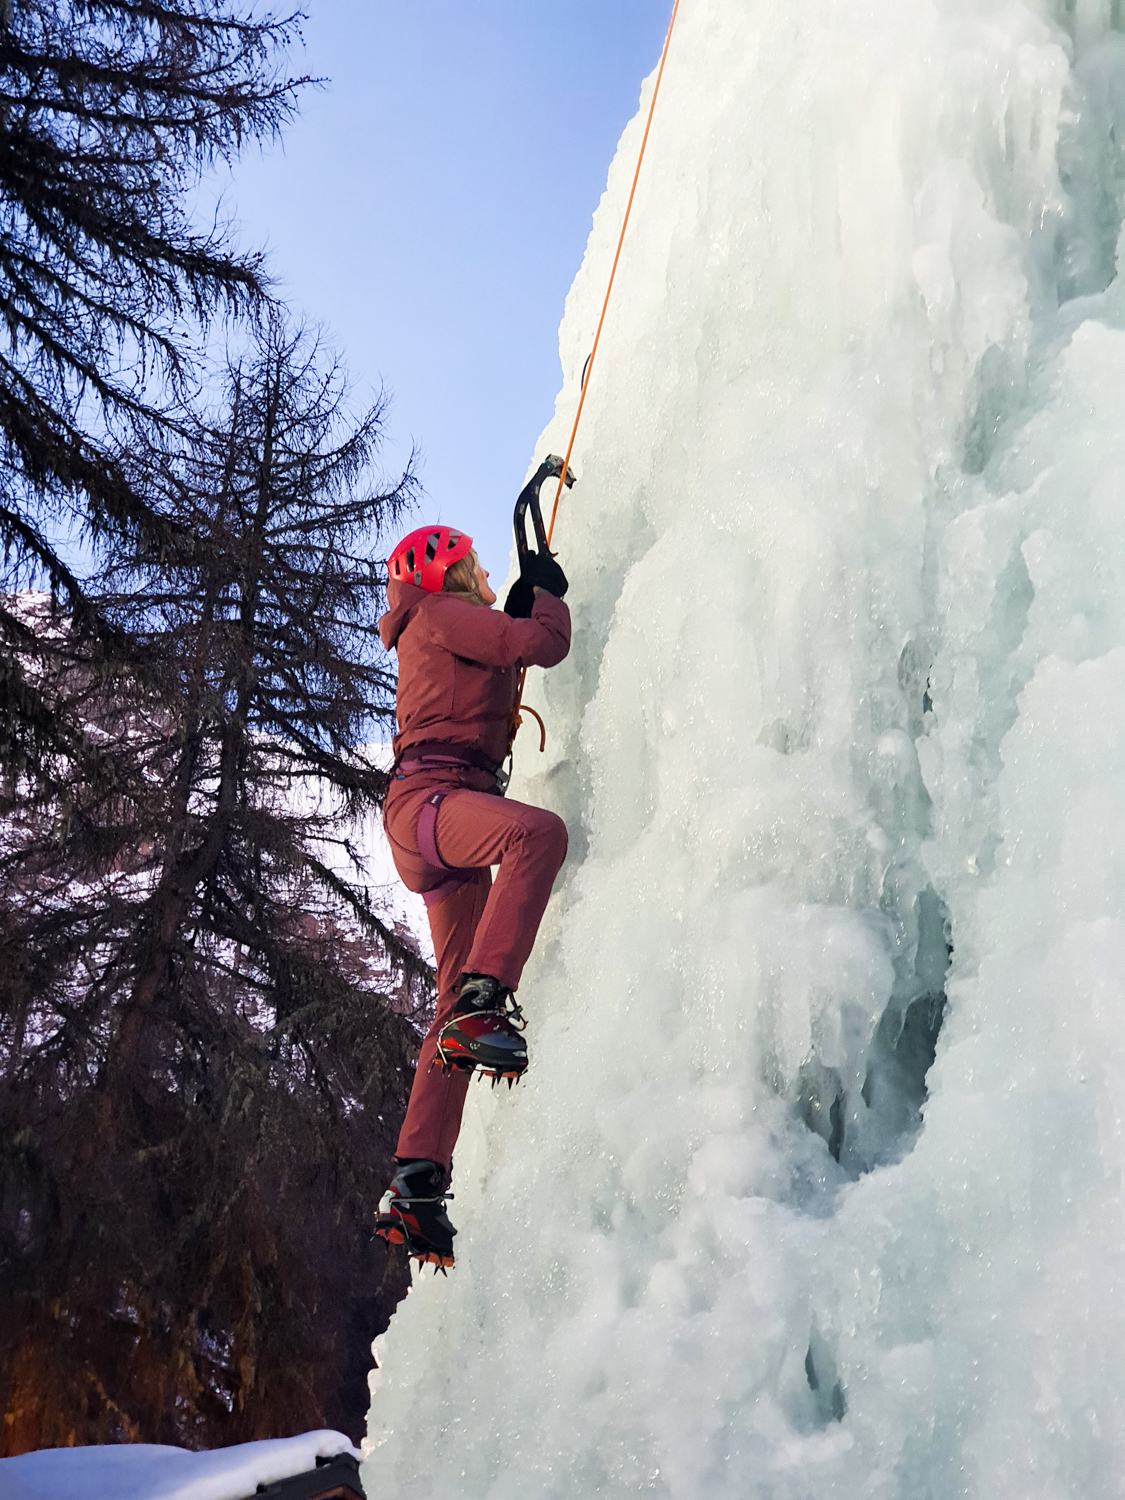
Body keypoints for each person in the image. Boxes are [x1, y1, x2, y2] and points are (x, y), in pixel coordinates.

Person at [374, 523, 571, 1269]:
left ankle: (415, 1185)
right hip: (437, 801)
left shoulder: (436, 625)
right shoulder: (436, 613)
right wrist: (546, 595)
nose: (489, 572)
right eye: (479, 565)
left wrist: (520, 608)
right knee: (537, 838)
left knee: (446, 1003)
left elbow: (507, 647)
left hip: (426, 819)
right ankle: (487, 1001)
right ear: (447, 573)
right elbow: (541, 646)